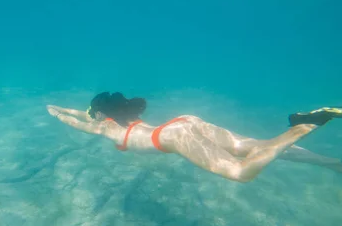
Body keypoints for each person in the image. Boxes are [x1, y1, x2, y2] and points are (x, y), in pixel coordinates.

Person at [46, 92, 342, 183]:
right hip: (183, 122)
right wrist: (62, 107)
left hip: (172, 136)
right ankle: (333, 164)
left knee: (241, 171)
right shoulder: (122, 116)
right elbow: (84, 113)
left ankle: (304, 126)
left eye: (91, 112)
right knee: (254, 148)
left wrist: (58, 115)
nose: (88, 115)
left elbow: (80, 121)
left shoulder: (103, 127)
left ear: (99, 114)